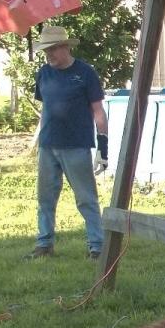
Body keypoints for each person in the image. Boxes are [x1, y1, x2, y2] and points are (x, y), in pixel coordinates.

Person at [28, 23, 109, 260]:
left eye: (52, 49)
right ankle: (44, 244)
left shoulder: (85, 73)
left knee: (86, 198)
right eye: (45, 51)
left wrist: (103, 149)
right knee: (45, 198)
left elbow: (98, 112)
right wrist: (38, 140)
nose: (49, 55)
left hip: (76, 145)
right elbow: (46, 110)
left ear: (65, 48)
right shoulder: (43, 73)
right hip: (48, 145)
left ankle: (97, 245)